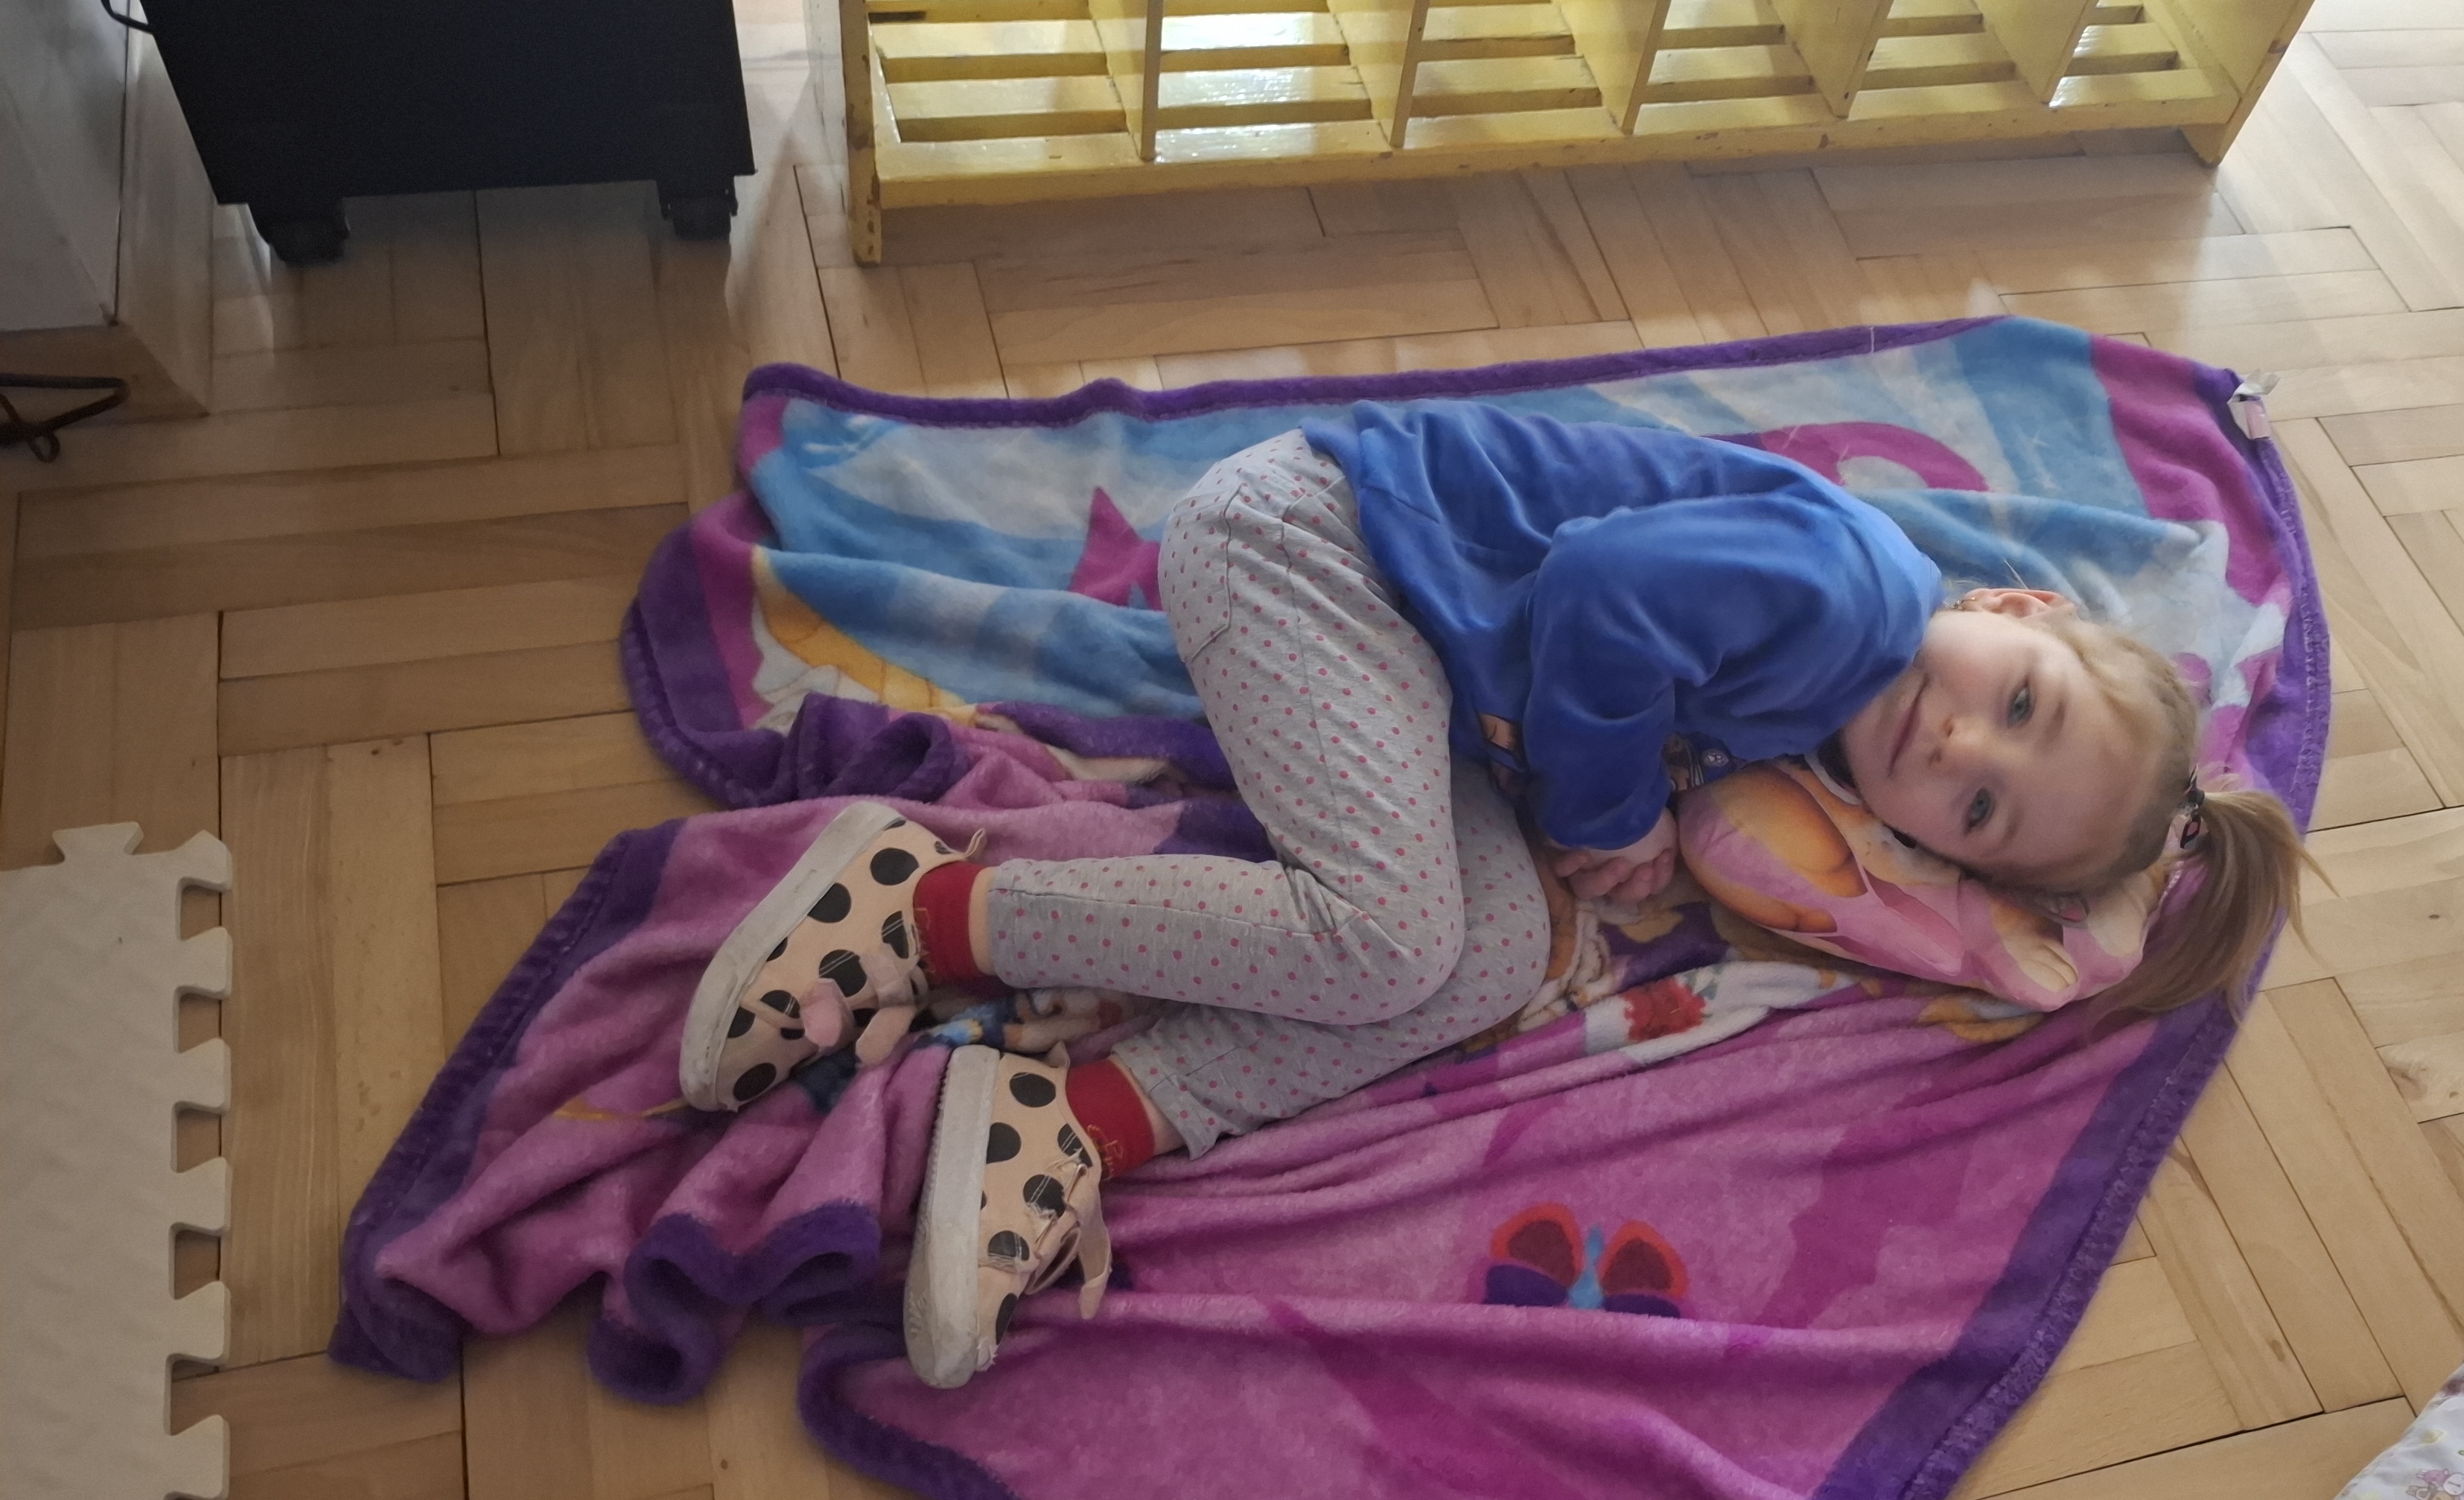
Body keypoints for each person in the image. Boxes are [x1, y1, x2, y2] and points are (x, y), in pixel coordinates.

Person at [667, 403, 2308, 1387]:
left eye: (1980, 806)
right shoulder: (1853, 594)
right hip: (1309, 545)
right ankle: (925, 906)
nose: (1958, 742)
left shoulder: (1839, 722)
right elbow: (1598, 593)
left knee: (1494, 952)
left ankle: (1083, 1113)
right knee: (1386, 930)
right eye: (2018, 701)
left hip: (1417, 666)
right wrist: (1611, 810)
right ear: (2012, 610)